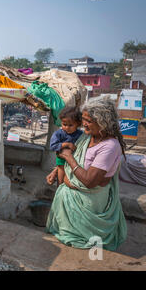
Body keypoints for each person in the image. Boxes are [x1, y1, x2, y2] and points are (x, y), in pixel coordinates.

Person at [45, 96, 127, 251]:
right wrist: (56, 171)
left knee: (78, 246)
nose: (84, 124)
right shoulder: (87, 137)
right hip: (70, 196)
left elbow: (89, 181)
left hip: (88, 204)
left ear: (103, 121)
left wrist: (69, 158)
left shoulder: (109, 146)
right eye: (83, 119)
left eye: (88, 121)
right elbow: (78, 158)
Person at [47, 107, 83, 186]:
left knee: (70, 181)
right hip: (62, 162)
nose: (67, 127)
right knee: (61, 182)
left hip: (76, 161)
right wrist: (66, 144)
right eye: (64, 124)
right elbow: (53, 146)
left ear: (78, 124)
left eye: (70, 125)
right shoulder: (59, 134)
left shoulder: (80, 134)